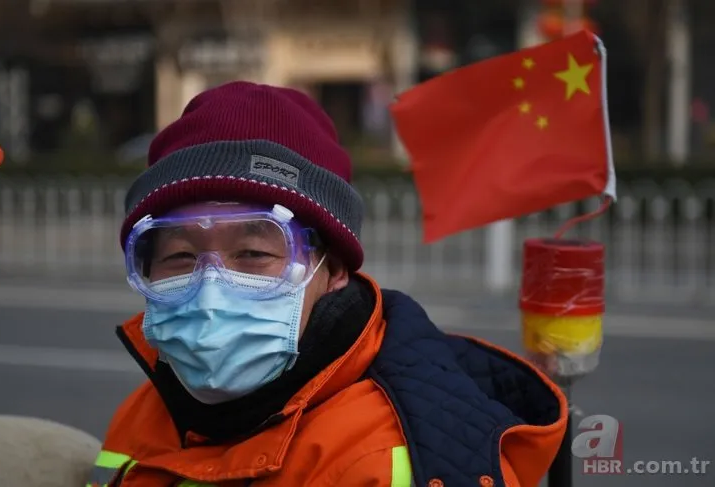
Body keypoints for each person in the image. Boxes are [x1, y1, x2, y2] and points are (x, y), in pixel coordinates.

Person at [88, 81, 567, 487]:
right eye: (178, 256)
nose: (210, 292)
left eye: (254, 254)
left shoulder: (385, 459)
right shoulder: (146, 410)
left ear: (334, 269)